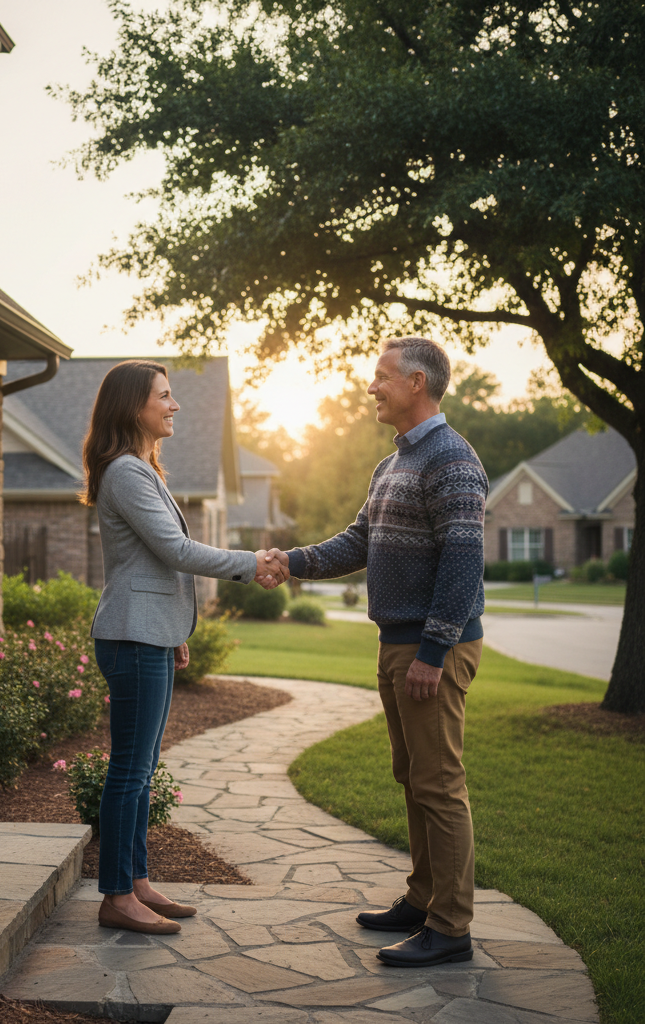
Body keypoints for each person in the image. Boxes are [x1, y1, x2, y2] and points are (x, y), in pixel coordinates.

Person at [268, 337, 488, 967]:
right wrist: (292, 561)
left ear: (417, 382)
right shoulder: (392, 465)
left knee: (440, 784)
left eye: (382, 377)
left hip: (431, 650)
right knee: (412, 777)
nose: (372, 387)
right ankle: (422, 899)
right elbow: (358, 540)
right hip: (398, 643)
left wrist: (432, 650)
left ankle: (451, 927)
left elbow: (463, 562)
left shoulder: (452, 459)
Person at [81, 359, 287, 935]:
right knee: (129, 770)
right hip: (131, 637)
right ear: (134, 407)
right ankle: (116, 897)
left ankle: (137, 882)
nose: (174, 407)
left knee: (142, 770)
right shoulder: (126, 472)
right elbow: (177, 551)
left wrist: (173, 632)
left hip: (149, 636)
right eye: (164, 397)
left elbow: (154, 561)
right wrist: (253, 563)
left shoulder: (142, 469)